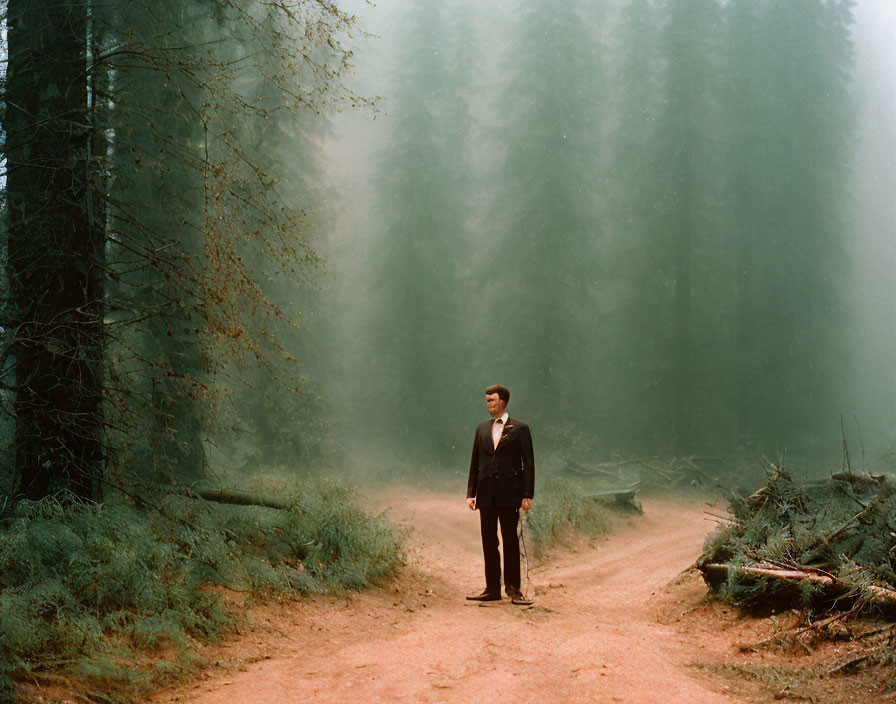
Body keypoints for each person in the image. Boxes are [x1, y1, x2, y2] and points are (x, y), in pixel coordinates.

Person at [465, 384, 534, 603]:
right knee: (488, 541)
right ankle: (492, 588)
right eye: (487, 400)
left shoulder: (520, 428)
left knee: (510, 541)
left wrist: (527, 494)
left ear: (503, 401)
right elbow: (475, 462)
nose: (488, 404)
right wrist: (471, 492)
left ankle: (513, 589)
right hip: (486, 494)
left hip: (509, 494)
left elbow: (528, 464)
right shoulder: (481, 428)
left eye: (492, 400)